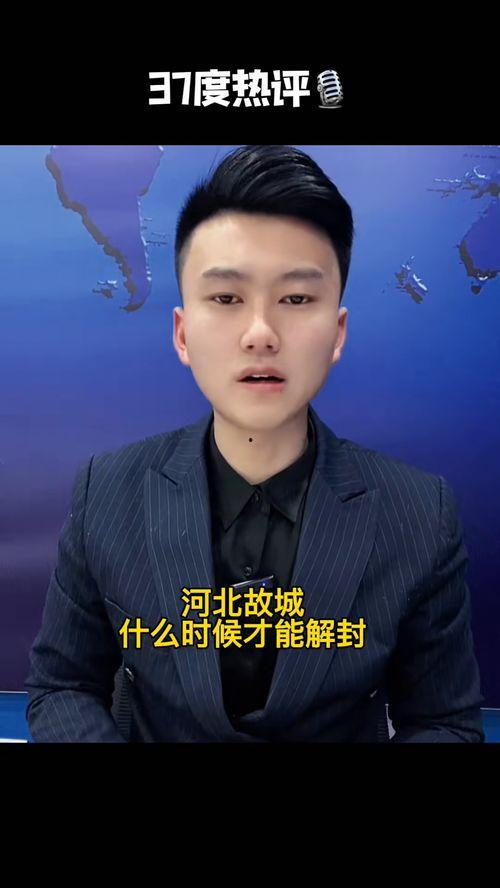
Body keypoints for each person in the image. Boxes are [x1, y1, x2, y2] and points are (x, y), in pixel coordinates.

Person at [25, 144, 485, 742]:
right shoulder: (107, 493)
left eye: (296, 299)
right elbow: (62, 686)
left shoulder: (420, 513)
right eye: (226, 298)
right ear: (183, 334)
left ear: (337, 332)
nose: (261, 333)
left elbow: (445, 722)